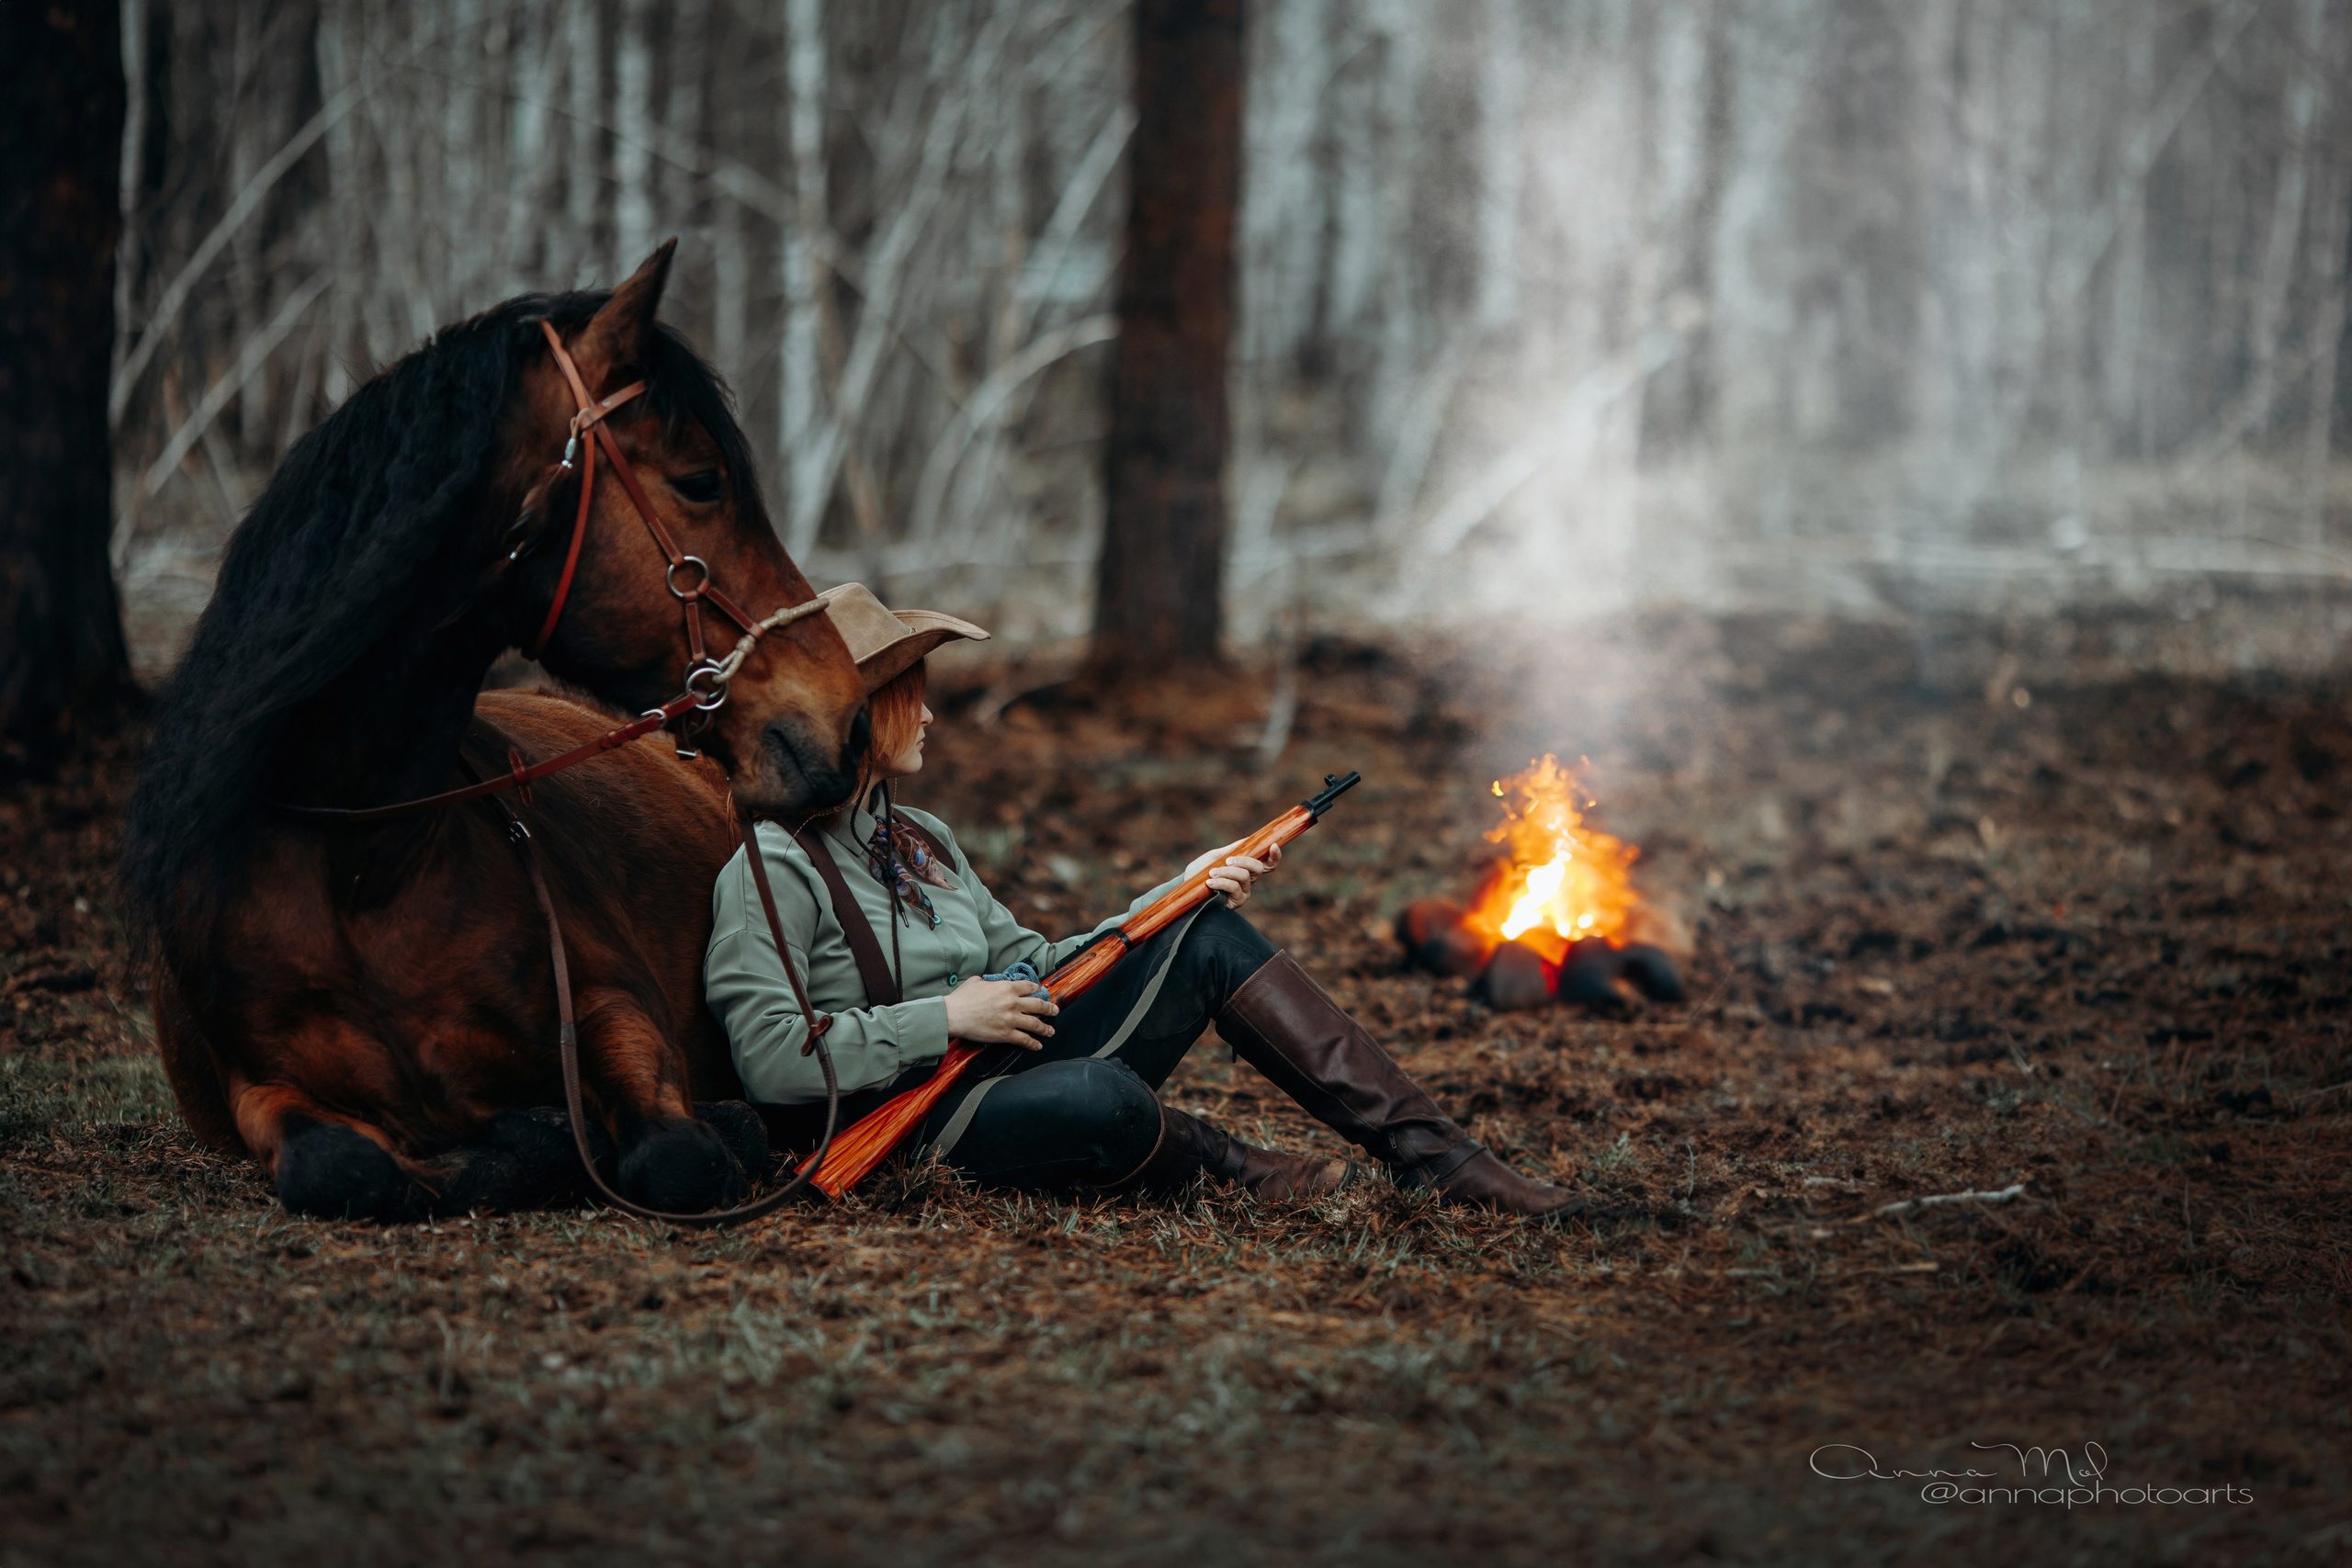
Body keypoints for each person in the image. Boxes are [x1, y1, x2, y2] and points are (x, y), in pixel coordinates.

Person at [705, 584, 1588, 1218]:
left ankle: (1439, 1158)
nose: (931, 716)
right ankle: (1238, 1168)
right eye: (913, 696)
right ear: (859, 716)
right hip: (912, 1119)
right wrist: (944, 1018)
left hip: (1000, 1064)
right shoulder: (771, 864)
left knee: (1209, 935)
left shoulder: (921, 835)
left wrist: (1183, 888)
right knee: (1097, 1096)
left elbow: (1040, 965)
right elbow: (770, 1059)